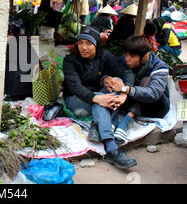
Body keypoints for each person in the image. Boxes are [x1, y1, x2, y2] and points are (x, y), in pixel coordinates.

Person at [63, 26, 136, 169]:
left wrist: (124, 92)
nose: (84, 47)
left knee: (115, 80)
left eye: (89, 44)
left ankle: (97, 126)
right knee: (102, 101)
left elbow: (126, 72)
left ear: (96, 44)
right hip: (76, 101)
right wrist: (97, 98)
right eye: (81, 42)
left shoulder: (104, 55)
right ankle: (111, 146)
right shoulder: (70, 61)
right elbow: (75, 87)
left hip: (98, 98)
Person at [104, 35, 170, 144]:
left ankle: (126, 122)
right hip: (129, 101)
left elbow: (154, 93)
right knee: (117, 79)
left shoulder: (159, 67)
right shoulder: (124, 59)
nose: (127, 58)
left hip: (154, 106)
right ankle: (114, 120)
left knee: (146, 81)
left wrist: (126, 89)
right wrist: (107, 79)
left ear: (144, 57)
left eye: (132, 56)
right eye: (126, 54)